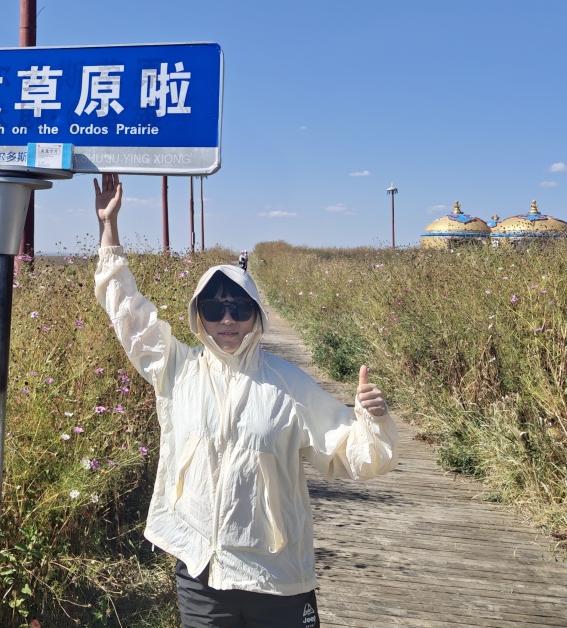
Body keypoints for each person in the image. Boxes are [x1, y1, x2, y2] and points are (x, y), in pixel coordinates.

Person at [92, 173, 397, 628]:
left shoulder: (289, 384)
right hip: (202, 573)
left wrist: (372, 420)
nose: (227, 320)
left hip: (278, 580)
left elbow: (349, 454)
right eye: (214, 309)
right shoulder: (178, 369)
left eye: (238, 308)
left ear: (256, 314)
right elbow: (129, 314)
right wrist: (108, 230)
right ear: (199, 316)